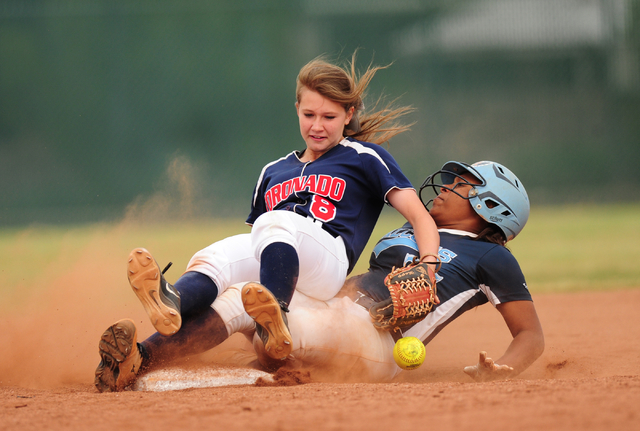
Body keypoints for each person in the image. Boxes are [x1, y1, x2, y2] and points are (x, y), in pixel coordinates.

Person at [94, 53, 440, 392]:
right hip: (283, 266)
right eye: (308, 114)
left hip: (326, 260)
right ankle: (157, 329)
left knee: (276, 222)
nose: (317, 125)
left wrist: (428, 266)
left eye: (329, 116)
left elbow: (419, 216)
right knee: (221, 258)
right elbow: (258, 247)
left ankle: (276, 318)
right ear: (296, 110)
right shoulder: (272, 171)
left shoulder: (364, 157)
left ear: (349, 115)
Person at [94, 160, 544, 392]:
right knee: (238, 297)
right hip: (337, 312)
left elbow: (530, 335)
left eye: (461, 185)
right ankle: (136, 359)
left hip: (377, 340)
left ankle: (276, 346)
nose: (446, 186)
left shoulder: (491, 257)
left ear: (491, 208)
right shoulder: (410, 232)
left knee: (277, 322)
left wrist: (504, 368)